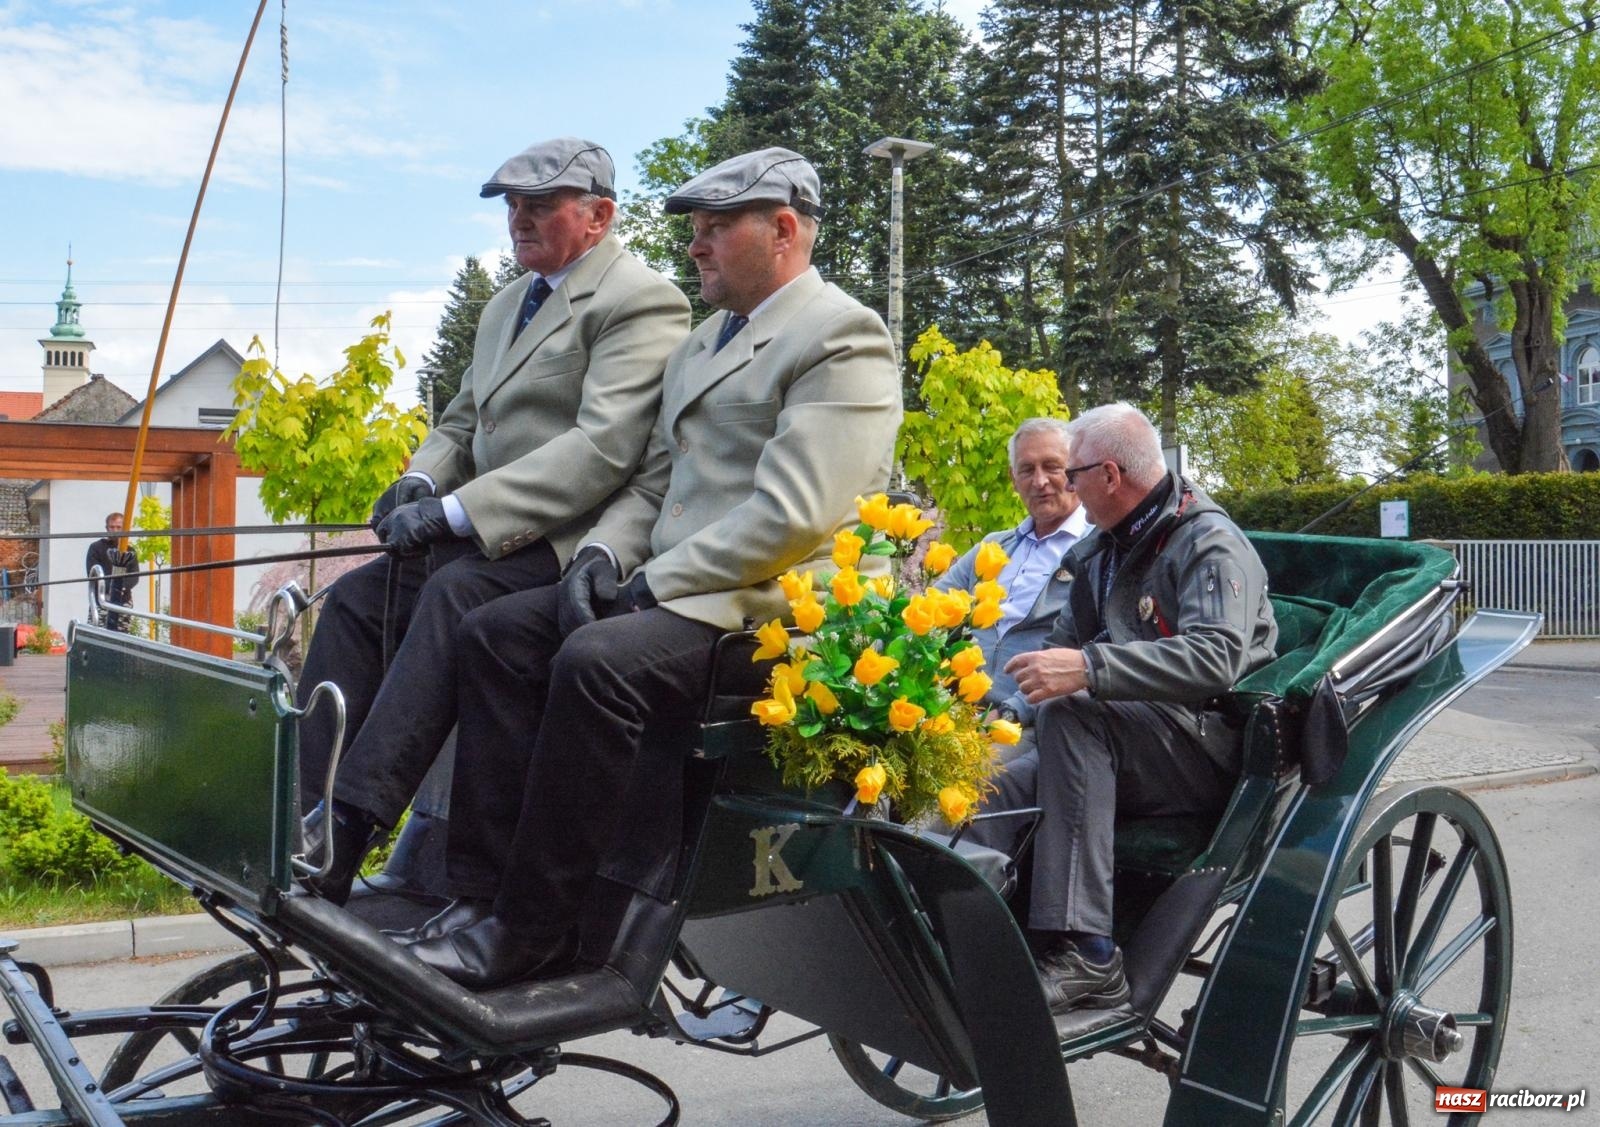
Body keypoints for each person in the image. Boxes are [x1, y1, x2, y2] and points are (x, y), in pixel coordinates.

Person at [393, 147, 903, 989]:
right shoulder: (705, 342)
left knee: (596, 664)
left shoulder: (840, 334)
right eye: (695, 230)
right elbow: (657, 479)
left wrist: (652, 583)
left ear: (783, 231)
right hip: (688, 591)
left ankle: (538, 932)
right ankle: (475, 893)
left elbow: (791, 515)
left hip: (776, 607)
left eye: (714, 229)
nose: (696, 247)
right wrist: (601, 553)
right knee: (496, 632)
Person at [298, 137, 691, 900]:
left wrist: (452, 511)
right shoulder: (509, 302)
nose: (518, 219)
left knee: (451, 598)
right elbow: (459, 419)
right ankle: (295, 809)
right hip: (481, 532)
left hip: (567, 539)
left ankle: (349, 827)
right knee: (354, 599)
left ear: (600, 216)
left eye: (539, 205)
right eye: (512, 205)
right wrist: (416, 480)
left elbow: (602, 448)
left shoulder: (640, 300)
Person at [965, 402, 1277, 1015]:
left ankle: (1090, 955)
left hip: (1207, 751)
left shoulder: (1208, 541)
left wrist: (1088, 669)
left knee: (1074, 712)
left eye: (1072, 473)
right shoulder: (1103, 551)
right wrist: (999, 723)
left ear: (1109, 475)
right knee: (992, 776)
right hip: (1125, 743)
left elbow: (1216, 658)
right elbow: (1059, 650)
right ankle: (966, 929)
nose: (1064, 488)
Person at [933, 417, 1089, 760]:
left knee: (948, 798)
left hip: (1028, 720)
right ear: (1012, 480)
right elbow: (931, 610)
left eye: (1052, 467)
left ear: (1075, 472)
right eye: (1026, 470)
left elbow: (1088, 652)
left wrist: (1009, 712)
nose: (1040, 481)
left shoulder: (1096, 549)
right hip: (952, 708)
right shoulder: (993, 547)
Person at [85, 512, 138, 632]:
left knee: (121, 636)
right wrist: (111, 589)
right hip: (101, 600)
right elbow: (93, 574)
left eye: (119, 527)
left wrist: (121, 588)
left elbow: (135, 576)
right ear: (106, 528)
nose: (115, 530)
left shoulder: (130, 551)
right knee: (96, 633)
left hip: (123, 601)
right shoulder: (96, 548)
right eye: (112, 527)